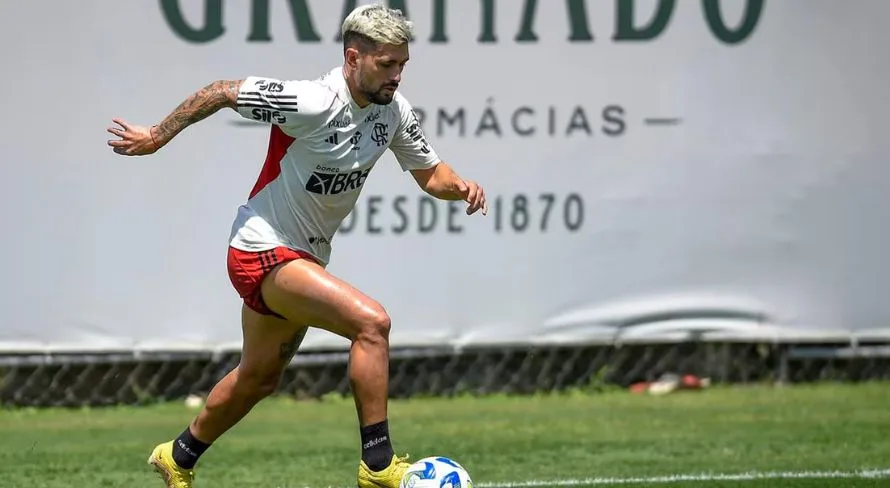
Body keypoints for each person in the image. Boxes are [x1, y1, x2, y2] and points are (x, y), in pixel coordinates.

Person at [106, 4, 487, 488]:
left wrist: (461, 187)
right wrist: (157, 136)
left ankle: (178, 456)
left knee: (259, 378)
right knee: (372, 324)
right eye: (387, 64)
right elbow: (221, 91)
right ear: (353, 58)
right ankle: (378, 465)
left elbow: (431, 174)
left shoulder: (392, 113)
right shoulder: (312, 101)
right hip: (261, 248)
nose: (397, 75)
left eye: (402, 64)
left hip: (302, 256)